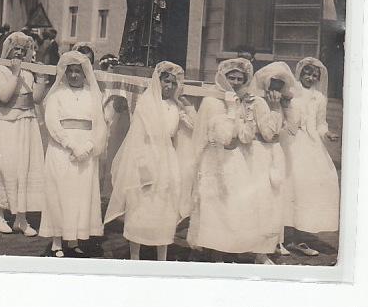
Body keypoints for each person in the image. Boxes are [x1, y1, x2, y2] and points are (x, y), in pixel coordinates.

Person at [105, 62, 196, 260]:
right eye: (166, 82)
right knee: (141, 206)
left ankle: (161, 255)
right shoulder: (146, 104)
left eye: (174, 83)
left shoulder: (175, 105)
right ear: (158, 81)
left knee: (164, 207)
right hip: (146, 156)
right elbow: (138, 138)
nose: (169, 87)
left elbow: (194, 127)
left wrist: (187, 106)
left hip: (168, 158)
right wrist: (145, 167)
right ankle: (135, 255)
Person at [187, 58, 268, 263]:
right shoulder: (212, 101)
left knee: (234, 205)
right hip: (216, 159)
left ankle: (230, 248)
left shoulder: (241, 101)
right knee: (216, 205)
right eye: (231, 78)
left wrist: (247, 115)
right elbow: (225, 137)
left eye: (240, 79)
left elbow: (245, 136)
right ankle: (217, 253)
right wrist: (232, 111)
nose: (235, 82)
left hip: (235, 158)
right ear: (222, 77)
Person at [38, 51, 107, 257]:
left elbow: (100, 125)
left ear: (85, 73)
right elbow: (52, 122)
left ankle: (74, 239)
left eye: (78, 71)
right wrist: (70, 144)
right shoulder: (57, 95)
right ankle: (57, 241)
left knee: (80, 195)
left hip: (85, 150)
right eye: (71, 72)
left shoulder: (93, 95)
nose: (74, 75)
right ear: (65, 73)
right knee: (60, 193)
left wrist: (87, 146)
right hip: (62, 150)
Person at [0, 32, 48, 235]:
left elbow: (37, 99)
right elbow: (5, 96)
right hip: (7, 125)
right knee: (7, 168)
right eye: (16, 49)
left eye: (23, 50)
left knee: (26, 168)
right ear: (8, 50)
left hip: (27, 124)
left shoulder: (28, 72)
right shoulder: (0, 70)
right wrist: (15, 73)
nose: (20, 52)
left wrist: (41, 79)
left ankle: (21, 219)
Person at [280, 57, 340, 256]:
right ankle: (278, 237)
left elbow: (320, 123)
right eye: (307, 73)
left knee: (307, 189)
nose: (311, 77)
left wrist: (326, 133)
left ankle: (298, 238)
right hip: (290, 141)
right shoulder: (290, 91)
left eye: (315, 75)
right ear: (300, 72)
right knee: (286, 185)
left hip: (311, 145)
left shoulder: (319, 98)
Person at [246, 62, 296, 264]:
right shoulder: (258, 102)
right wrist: (275, 108)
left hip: (276, 153)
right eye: (272, 83)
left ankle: (272, 244)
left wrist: (285, 107)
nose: (275, 88)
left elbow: (292, 128)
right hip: (260, 153)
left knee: (276, 200)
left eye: (279, 84)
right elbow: (267, 133)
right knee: (262, 201)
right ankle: (259, 251)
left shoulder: (280, 103)